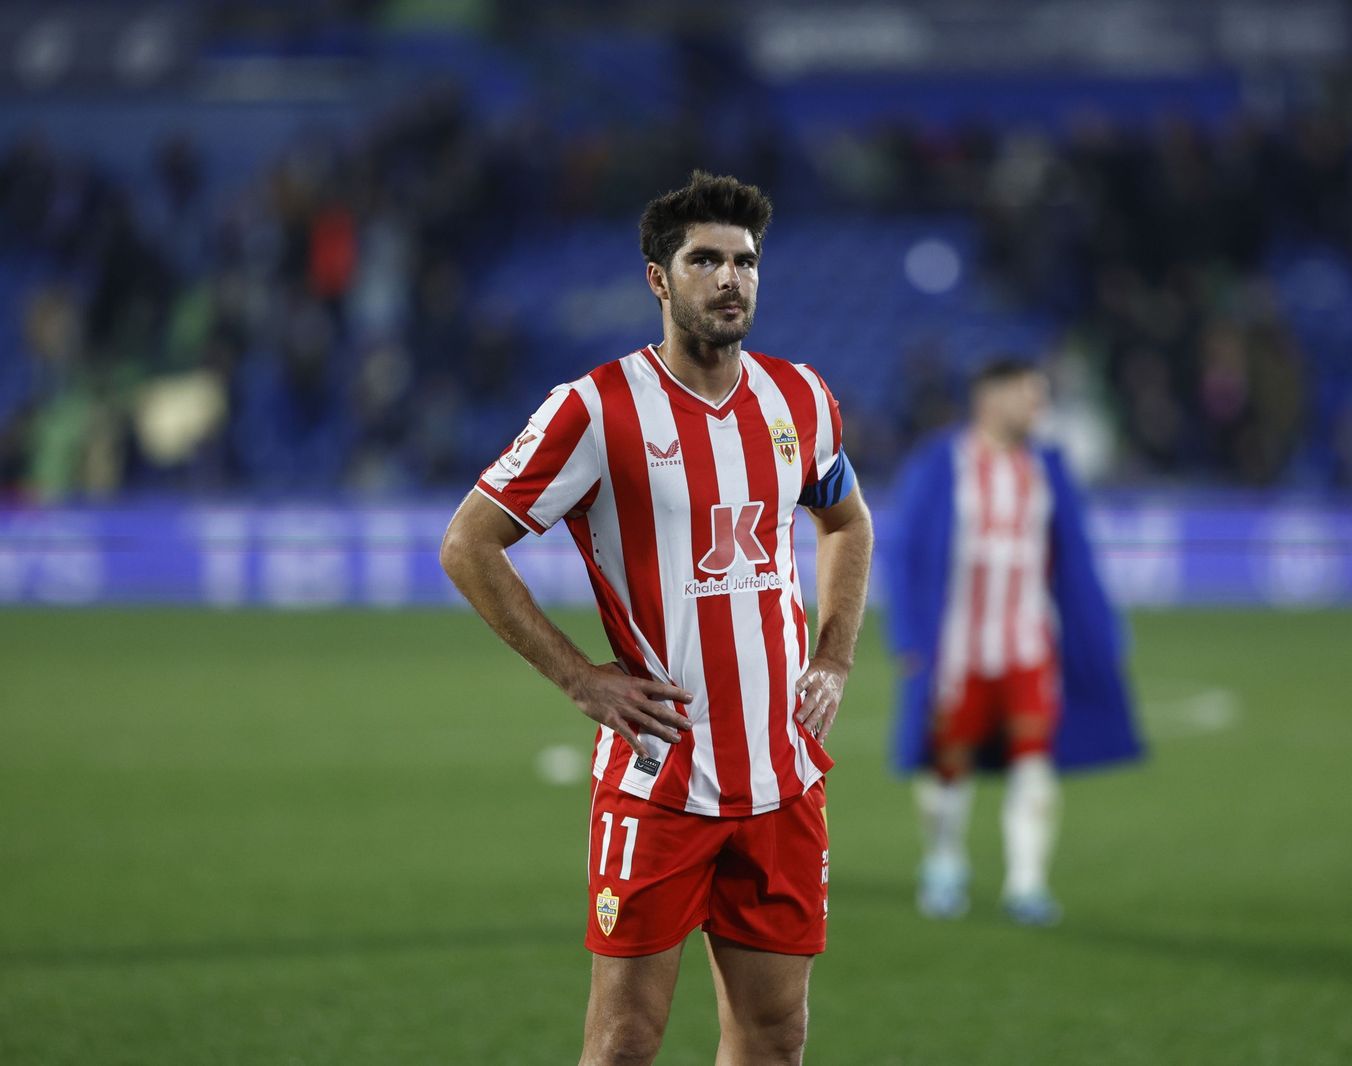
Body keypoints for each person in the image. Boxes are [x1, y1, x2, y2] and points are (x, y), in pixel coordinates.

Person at [440, 172, 873, 1065]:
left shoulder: (800, 400)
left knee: (775, 1036)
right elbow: (468, 545)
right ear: (658, 281)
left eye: (745, 261)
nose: (730, 279)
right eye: (705, 259)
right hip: (661, 780)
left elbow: (847, 521)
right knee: (627, 1040)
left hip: (782, 778)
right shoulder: (595, 409)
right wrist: (580, 677)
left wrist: (833, 654)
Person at [883, 359, 1141, 925]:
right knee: (947, 767)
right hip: (957, 651)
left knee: (1034, 762)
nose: (1037, 407)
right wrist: (906, 634)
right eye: (1027, 395)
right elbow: (902, 556)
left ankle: (1028, 883)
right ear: (989, 398)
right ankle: (945, 863)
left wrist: (1102, 634)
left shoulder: (1047, 466)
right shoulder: (939, 464)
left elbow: (1075, 559)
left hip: (1029, 648)